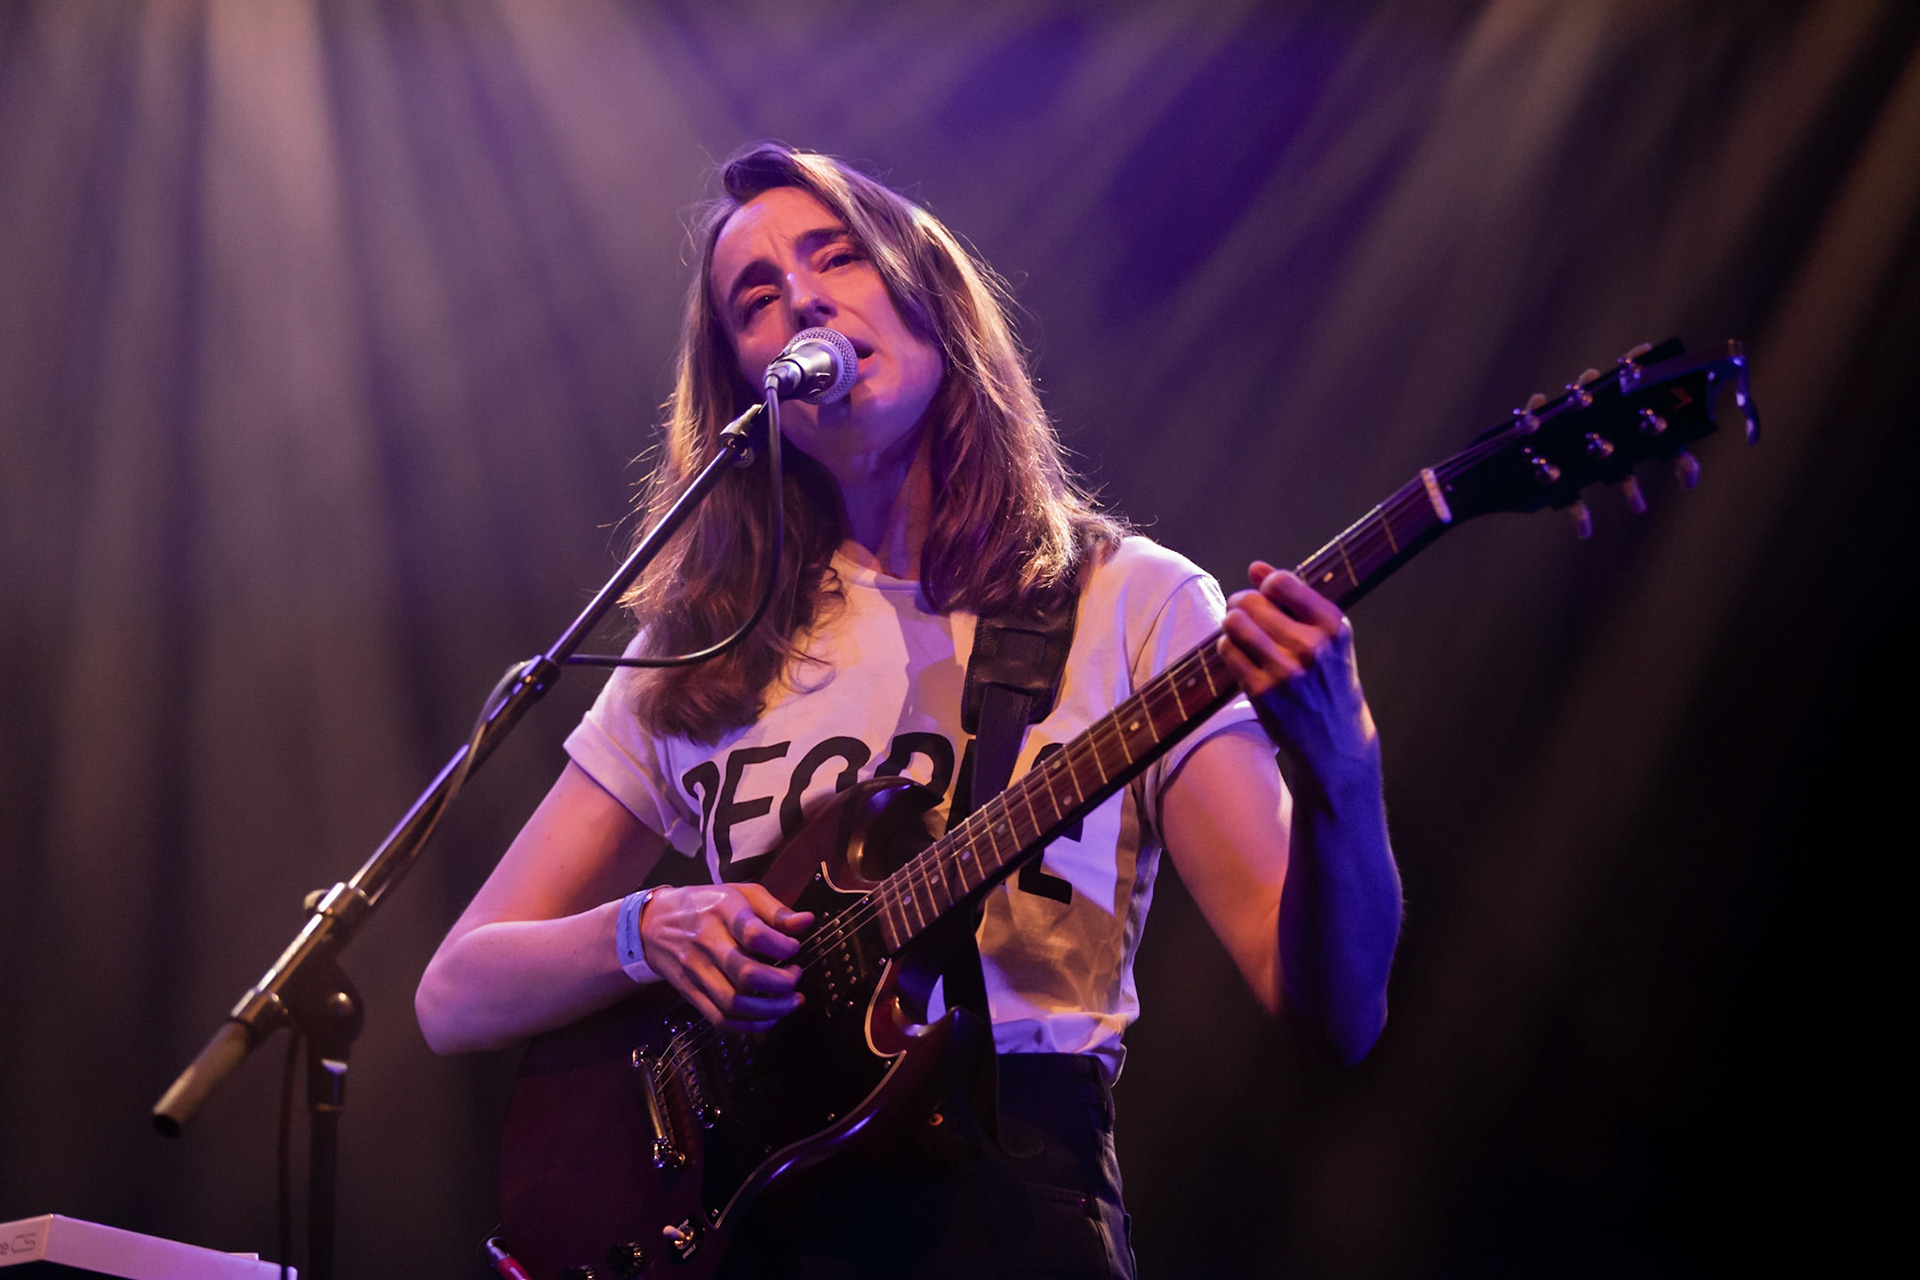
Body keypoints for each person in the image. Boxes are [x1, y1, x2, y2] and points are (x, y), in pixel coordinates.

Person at [415, 141, 1402, 1278]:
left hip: (1010, 1207)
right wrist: (648, 931)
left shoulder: (1131, 599)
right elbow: (456, 990)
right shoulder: (706, 646)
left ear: (927, 296)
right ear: (747, 386)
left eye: (836, 256)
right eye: (755, 298)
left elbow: (1334, 1010)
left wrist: (1344, 775)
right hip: (757, 1229)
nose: (800, 300)